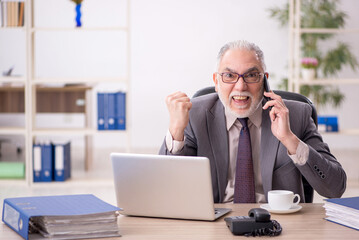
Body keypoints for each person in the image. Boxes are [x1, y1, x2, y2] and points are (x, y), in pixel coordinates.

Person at [159, 40, 346, 203]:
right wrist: (176, 131)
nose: (240, 86)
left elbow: (335, 188)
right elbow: (166, 190)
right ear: (216, 81)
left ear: (264, 80)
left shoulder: (297, 115)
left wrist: (290, 139)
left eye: (251, 75)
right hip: (213, 224)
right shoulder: (195, 114)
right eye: (229, 76)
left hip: (278, 225)